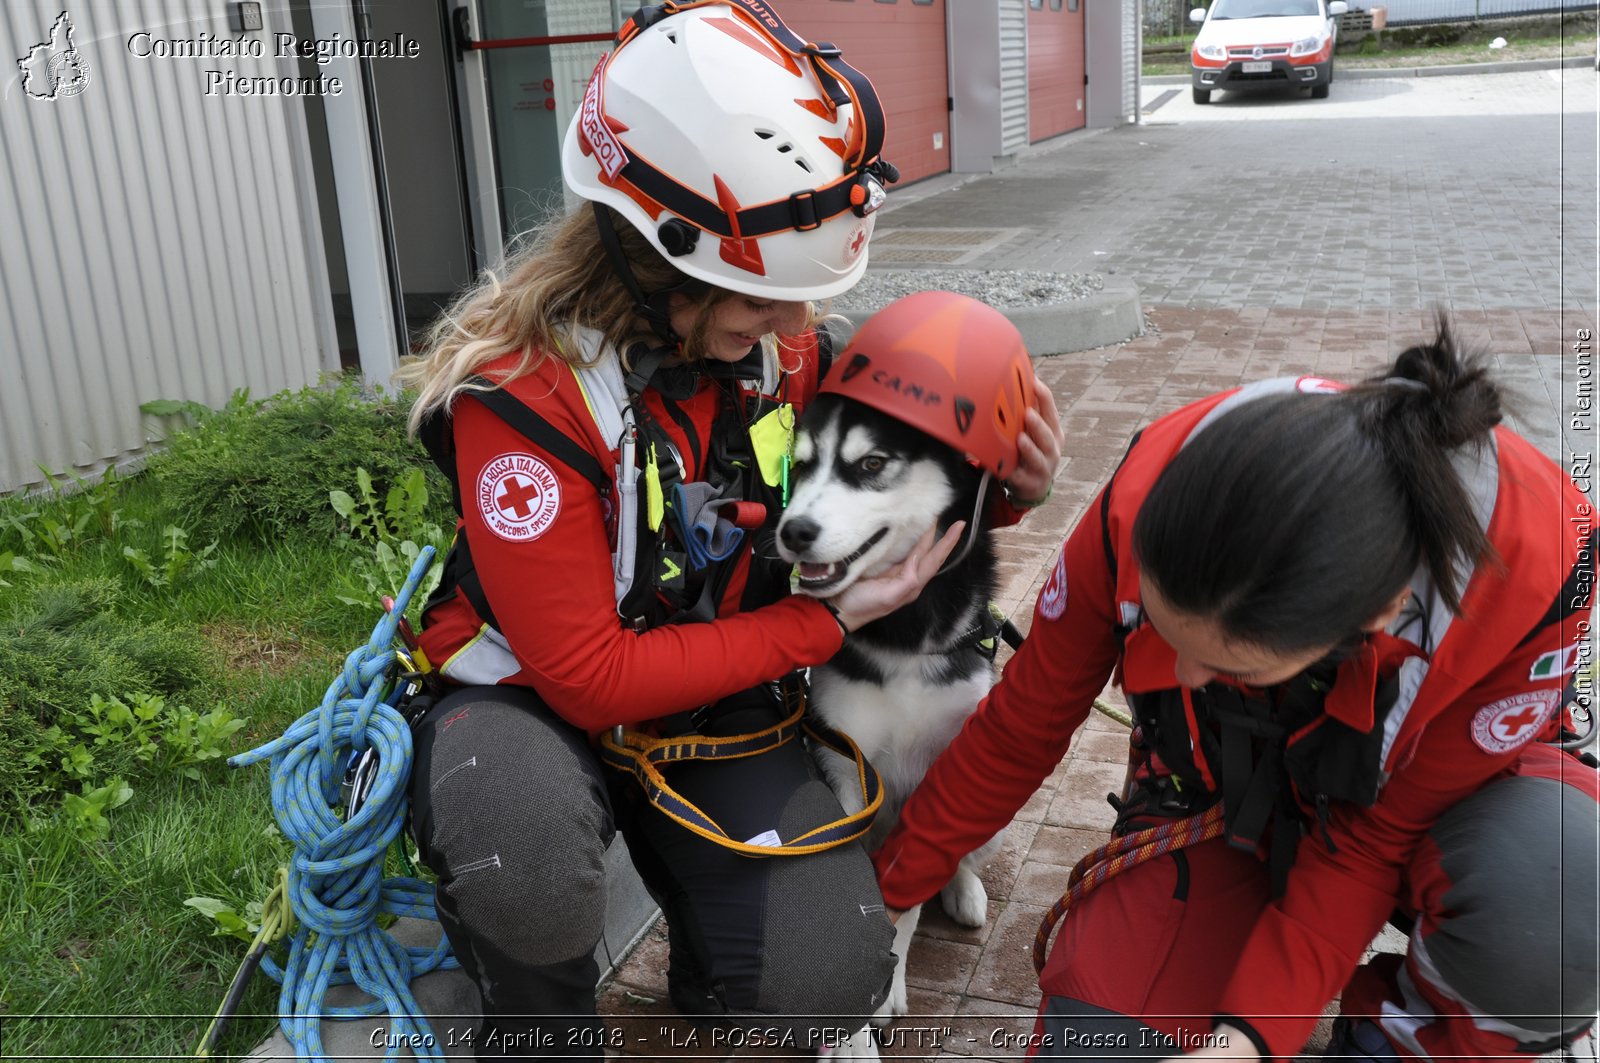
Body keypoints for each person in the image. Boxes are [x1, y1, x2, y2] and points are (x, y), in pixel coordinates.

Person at [391, 3, 1064, 1058]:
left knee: (827, 979)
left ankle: (717, 962)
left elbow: (893, 492)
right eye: (762, 302)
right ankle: (540, 1025)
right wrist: (813, 632)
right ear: (651, 265)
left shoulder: (772, 354)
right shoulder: (519, 403)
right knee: (519, 853)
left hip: (707, 706)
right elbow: (588, 678)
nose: (798, 333)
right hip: (533, 705)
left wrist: (1011, 489)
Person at [871, 319, 1598, 1062]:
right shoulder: (1142, 494)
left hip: (1428, 810)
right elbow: (1019, 727)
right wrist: (887, 894)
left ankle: (1405, 1036)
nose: (1181, 675)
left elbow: (1366, 845)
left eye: (1229, 667)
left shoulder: (1542, 571)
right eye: (1161, 631)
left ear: (1375, 620)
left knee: (1557, 899)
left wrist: (1250, 1037)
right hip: (1223, 790)